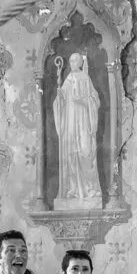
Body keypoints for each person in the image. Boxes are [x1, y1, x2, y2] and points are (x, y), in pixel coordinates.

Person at [53, 52, 102, 206]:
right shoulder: (68, 79)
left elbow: (95, 99)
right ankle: (73, 190)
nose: (72, 63)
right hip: (70, 121)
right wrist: (59, 95)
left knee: (86, 152)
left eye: (75, 60)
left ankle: (90, 189)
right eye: (71, 61)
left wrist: (84, 102)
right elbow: (60, 100)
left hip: (83, 121)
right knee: (71, 155)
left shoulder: (85, 78)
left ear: (80, 62)